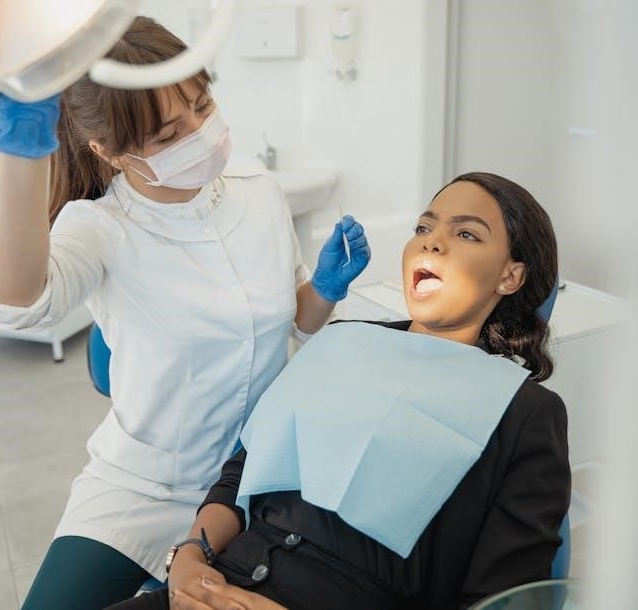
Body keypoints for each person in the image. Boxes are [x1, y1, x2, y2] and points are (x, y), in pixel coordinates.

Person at [0, 17, 371, 609]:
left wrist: (326, 289)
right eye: (168, 135)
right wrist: (21, 150)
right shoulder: (100, 229)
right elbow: (14, 302)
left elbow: (297, 320)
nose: (200, 134)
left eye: (203, 106)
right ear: (109, 151)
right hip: (145, 486)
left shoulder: (258, 190)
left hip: (255, 479)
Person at [111, 172, 571, 610]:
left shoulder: (524, 413)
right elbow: (243, 473)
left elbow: (505, 599)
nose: (432, 241)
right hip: (216, 585)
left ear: (510, 277)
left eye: (467, 233)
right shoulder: (342, 342)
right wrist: (189, 559)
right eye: (423, 227)